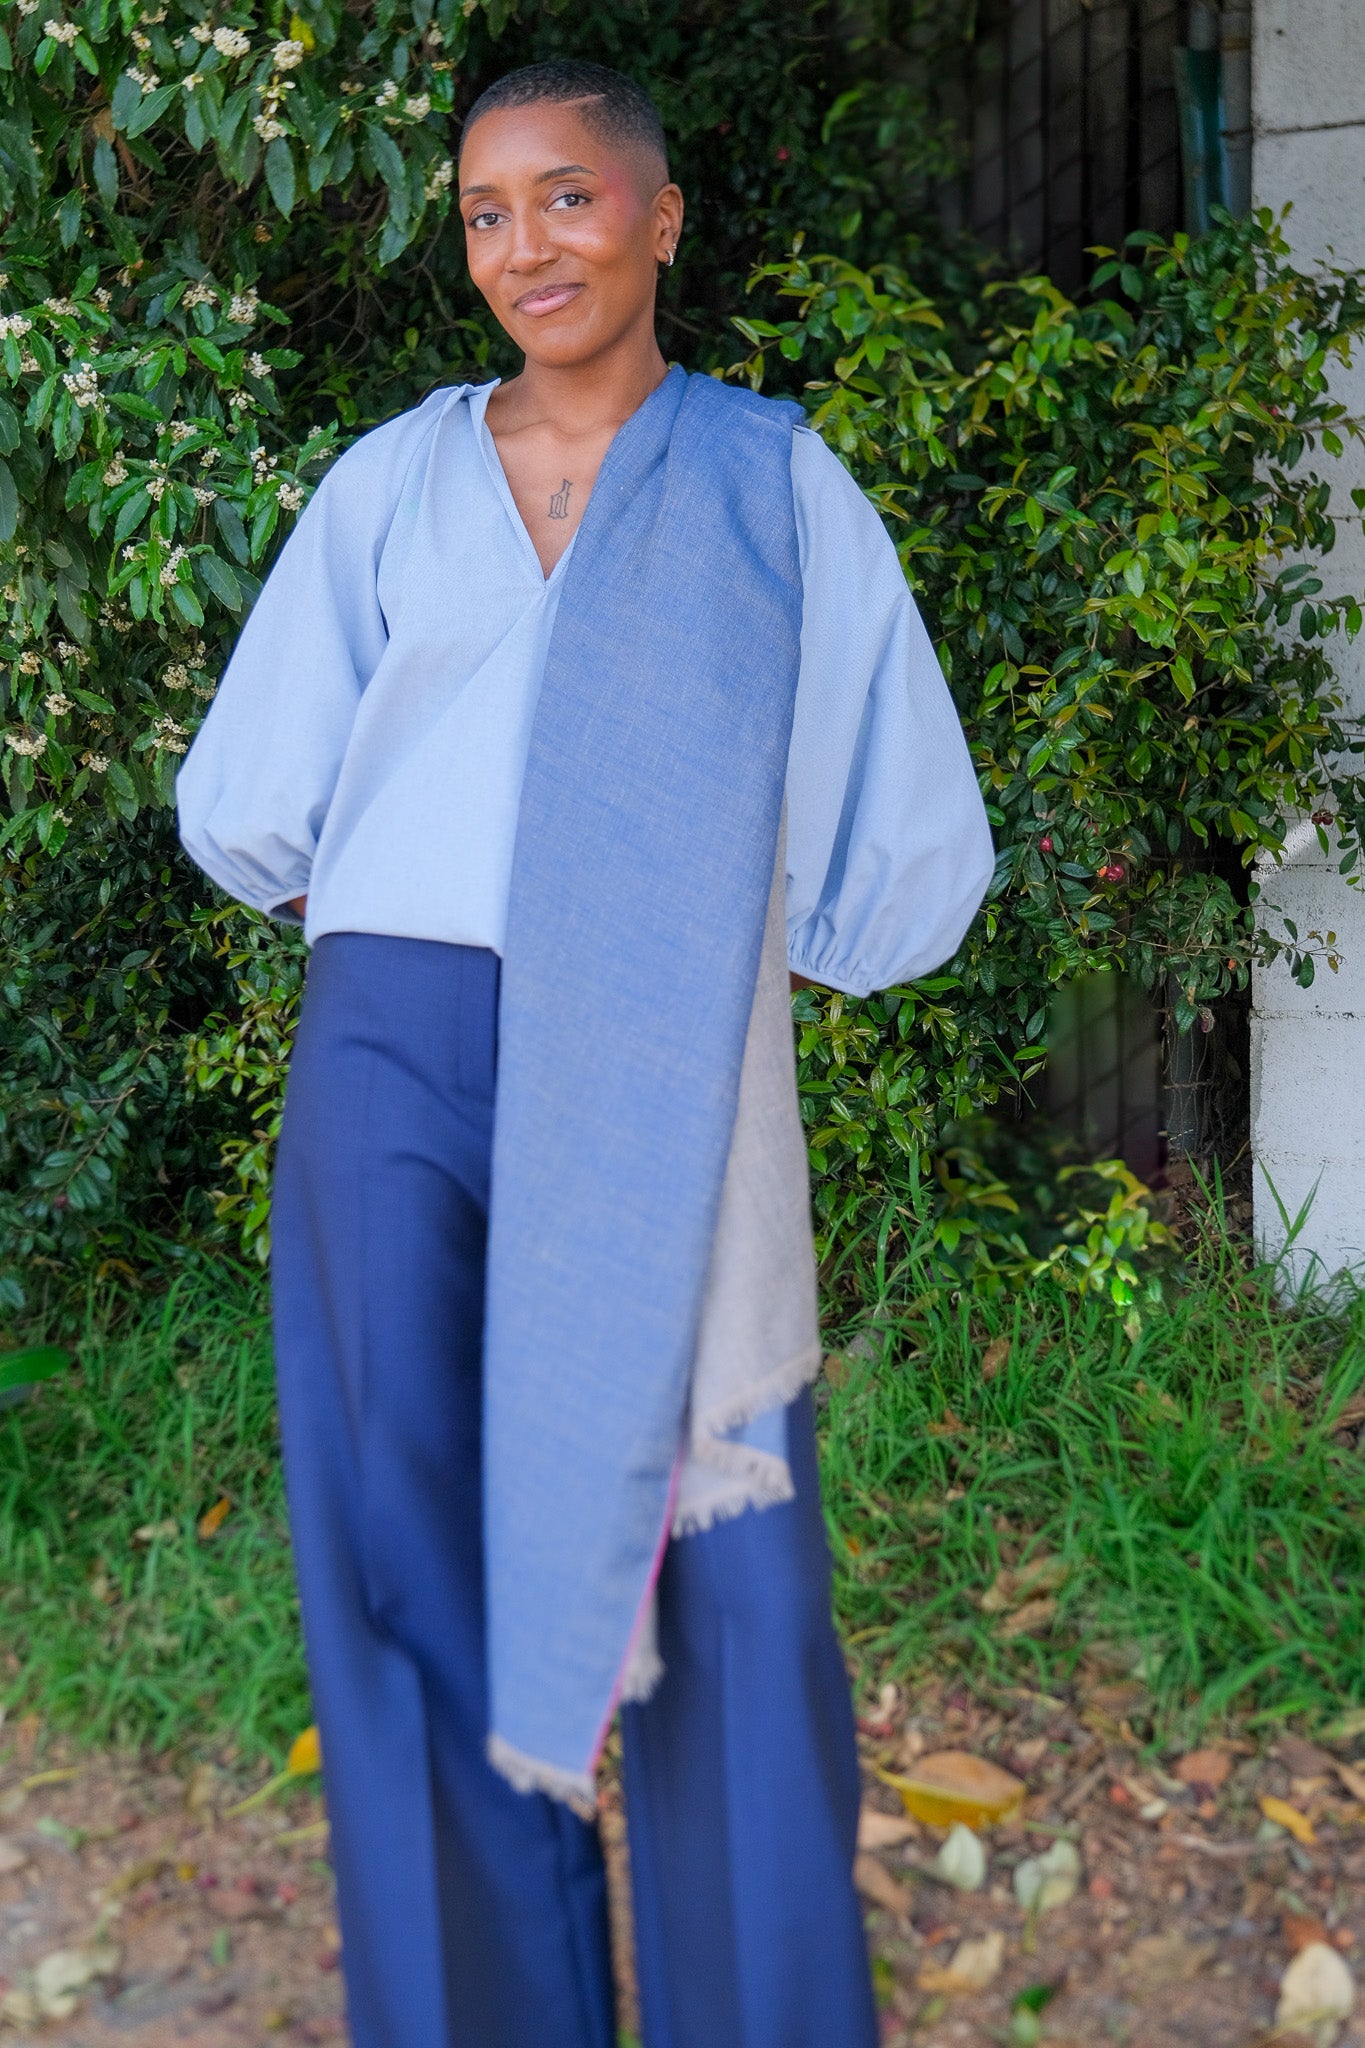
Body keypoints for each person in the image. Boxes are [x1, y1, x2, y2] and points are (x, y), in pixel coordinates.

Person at [177, 57, 993, 2048]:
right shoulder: (390, 483)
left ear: (657, 215)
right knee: (402, 1565)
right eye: (483, 210)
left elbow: (901, 834)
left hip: (660, 1051)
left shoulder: (772, 484)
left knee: (728, 1560)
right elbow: (253, 799)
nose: (521, 245)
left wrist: (684, 946)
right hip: (394, 1057)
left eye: (563, 195)